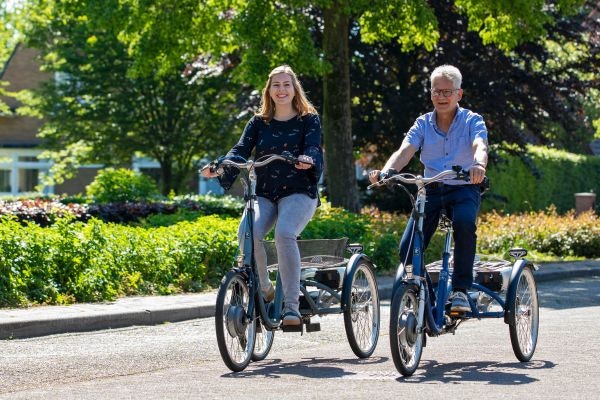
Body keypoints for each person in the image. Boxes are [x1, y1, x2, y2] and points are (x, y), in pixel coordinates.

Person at [202, 65, 323, 327]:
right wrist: (220, 165)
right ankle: (267, 288)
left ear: (294, 89)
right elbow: (240, 150)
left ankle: (291, 308)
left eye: (286, 84)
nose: (281, 90)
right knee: (248, 231)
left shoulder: (308, 119)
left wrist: (308, 158)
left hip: (299, 191)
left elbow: (313, 146)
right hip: (265, 192)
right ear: (269, 90)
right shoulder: (258, 122)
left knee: (284, 233)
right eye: (276, 85)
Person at [369, 64, 488, 312]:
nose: (441, 97)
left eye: (447, 92)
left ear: (459, 94)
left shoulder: (472, 120)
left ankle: (461, 291)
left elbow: (480, 145)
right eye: (436, 91)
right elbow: (405, 150)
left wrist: (478, 165)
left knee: (465, 223)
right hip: (431, 190)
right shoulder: (422, 124)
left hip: (464, 187)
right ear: (431, 93)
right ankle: (427, 295)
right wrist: (387, 172)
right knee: (407, 250)